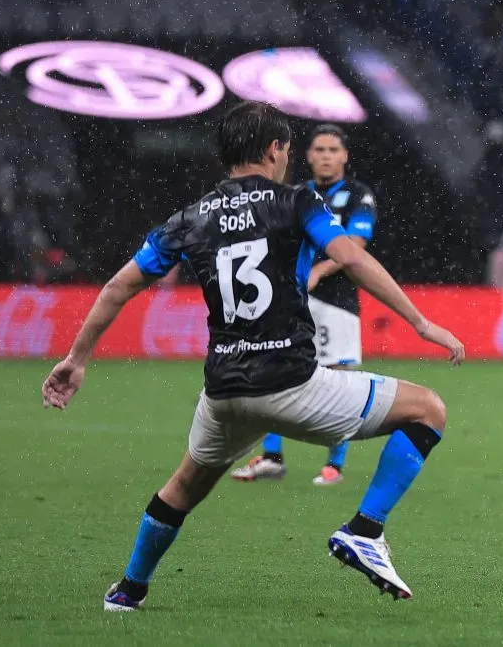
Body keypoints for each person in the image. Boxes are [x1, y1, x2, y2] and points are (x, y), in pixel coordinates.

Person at [41, 101, 465, 609]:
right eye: (287, 149)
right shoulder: (297, 202)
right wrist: (420, 322)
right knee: (428, 410)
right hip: (290, 384)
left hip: (223, 392)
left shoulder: (190, 218)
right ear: (273, 150)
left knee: (182, 488)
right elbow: (350, 256)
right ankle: (364, 531)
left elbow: (117, 285)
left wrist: (77, 358)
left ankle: (128, 591)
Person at [230, 124, 378, 486]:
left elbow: (355, 245)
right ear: (308, 156)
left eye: (333, 150)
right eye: (319, 149)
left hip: (338, 301)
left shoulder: (359, 195)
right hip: (291, 298)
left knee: (337, 379)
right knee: (275, 367)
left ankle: (335, 465)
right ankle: (272, 457)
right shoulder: (294, 195)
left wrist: (319, 271)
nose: (326, 156)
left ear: (344, 156)